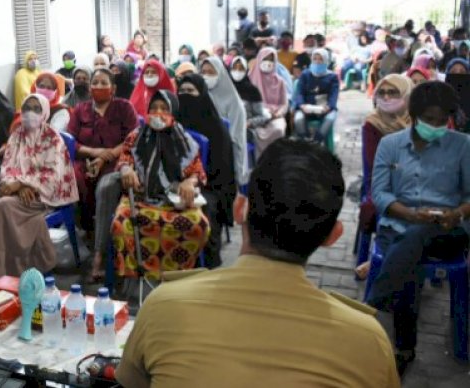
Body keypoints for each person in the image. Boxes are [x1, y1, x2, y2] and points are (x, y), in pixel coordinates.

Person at [116, 139, 399, 388]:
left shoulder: (163, 306)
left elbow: (132, 381)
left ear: (240, 209)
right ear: (332, 236)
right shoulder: (368, 341)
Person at [368, 81, 470, 377]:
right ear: (413, 116)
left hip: (447, 230)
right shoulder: (391, 145)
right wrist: (412, 214)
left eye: (442, 120)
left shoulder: (463, 145)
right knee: (411, 250)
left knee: (414, 241)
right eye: (429, 119)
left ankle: (378, 306)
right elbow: (380, 194)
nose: (435, 126)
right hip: (399, 224)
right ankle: (403, 346)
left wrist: (457, 213)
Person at [0, 94, 79, 283]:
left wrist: (23, 183)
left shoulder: (53, 139)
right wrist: (18, 186)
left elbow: (53, 176)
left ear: (45, 112)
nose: (30, 113)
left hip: (45, 195)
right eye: (27, 108)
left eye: (36, 109)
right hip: (19, 194)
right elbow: (7, 167)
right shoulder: (17, 136)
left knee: (3, 206)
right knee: (5, 206)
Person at [111, 91, 209, 280]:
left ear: (173, 113)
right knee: (120, 225)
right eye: (154, 108)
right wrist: (127, 170)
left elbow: (197, 170)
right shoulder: (136, 136)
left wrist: (189, 182)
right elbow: (124, 158)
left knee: (200, 226)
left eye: (164, 109)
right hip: (140, 199)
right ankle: (136, 275)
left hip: (175, 203)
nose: (158, 113)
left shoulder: (185, 141)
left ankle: (177, 275)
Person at [67, 68, 138, 280]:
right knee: (73, 180)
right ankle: (84, 234)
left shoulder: (124, 108)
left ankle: (99, 254)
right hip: (86, 160)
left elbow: (133, 138)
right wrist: (94, 153)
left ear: (113, 88)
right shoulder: (80, 110)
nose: (98, 86)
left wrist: (107, 156)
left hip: (117, 162)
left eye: (103, 83)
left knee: (105, 188)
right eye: (95, 83)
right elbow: (71, 141)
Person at [356, 74, 413, 279]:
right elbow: (376, 166)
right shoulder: (373, 124)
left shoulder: (418, 122)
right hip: (382, 184)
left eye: (393, 92)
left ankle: (383, 261)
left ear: (407, 95)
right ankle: (391, 264)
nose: (387, 97)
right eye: (382, 92)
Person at [177, 74, 236, 269]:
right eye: (182, 91)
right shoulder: (173, 123)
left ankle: (206, 268)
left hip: (211, 185)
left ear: (201, 94)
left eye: (190, 91)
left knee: (206, 210)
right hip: (175, 184)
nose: (185, 95)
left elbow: (221, 171)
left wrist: (196, 182)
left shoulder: (216, 128)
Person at [200, 57, 249, 186]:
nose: (206, 76)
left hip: (224, 158)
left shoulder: (234, 103)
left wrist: (238, 176)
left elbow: (237, 141)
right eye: (203, 72)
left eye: (211, 72)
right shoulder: (202, 96)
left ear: (221, 74)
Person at [293, 48, 339, 145]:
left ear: (326, 60)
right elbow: (299, 93)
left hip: (324, 108)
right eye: (315, 59)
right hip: (306, 107)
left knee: (330, 119)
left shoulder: (332, 77)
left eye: (320, 59)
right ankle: (305, 141)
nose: (317, 62)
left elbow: (334, 96)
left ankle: (317, 141)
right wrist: (302, 105)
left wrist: (328, 107)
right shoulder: (305, 74)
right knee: (298, 119)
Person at [248, 48, 288, 157]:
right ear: (259, 59)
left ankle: (275, 159)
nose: (268, 63)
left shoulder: (280, 81)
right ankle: (259, 160)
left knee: (278, 130)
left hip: (275, 116)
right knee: (255, 132)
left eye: (271, 60)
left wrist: (278, 114)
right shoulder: (249, 79)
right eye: (265, 59)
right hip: (255, 115)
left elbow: (284, 104)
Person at [229, 56, 268, 155]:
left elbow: (262, 117)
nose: (237, 71)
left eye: (241, 68)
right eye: (235, 68)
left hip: (245, 130)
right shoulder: (226, 89)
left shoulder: (252, 91)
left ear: (246, 71)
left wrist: (248, 123)